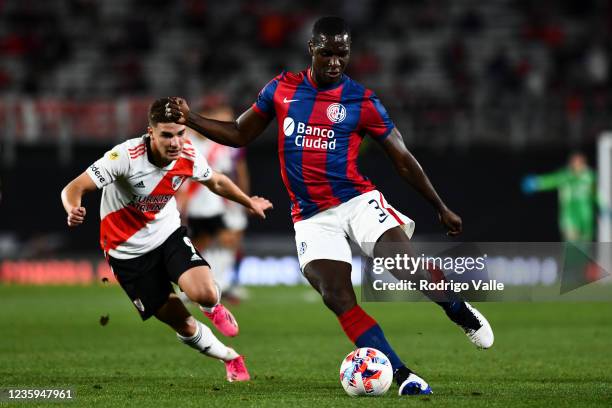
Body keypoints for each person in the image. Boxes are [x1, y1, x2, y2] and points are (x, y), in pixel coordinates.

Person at [165, 16, 493, 395]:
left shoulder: (362, 101)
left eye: (343, 53)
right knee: (336, 296)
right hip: (310, 217)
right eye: (327, 53)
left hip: (356, 201)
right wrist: (190, 117)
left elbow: (402, 158)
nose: (335, 61)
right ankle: (403, 375)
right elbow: (240, 133)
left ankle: (457, 309)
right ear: (312, 50)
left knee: (406, 268)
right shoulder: (282, 89)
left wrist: (439, 205)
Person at [60, 97, 272, 382]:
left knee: (205, 292)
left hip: (167, 235)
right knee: (182, 323)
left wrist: (248, 202)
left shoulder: (188, 153)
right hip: (126, 253)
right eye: (167, 135)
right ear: (151, 133)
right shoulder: (124, 157)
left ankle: (213, 307)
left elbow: (217, 181)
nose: (175, 142)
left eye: (180, 133)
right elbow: (74, 187)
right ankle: (230, 357)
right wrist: (73, 207)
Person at [177, 102, 251, 306]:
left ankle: (218, 283)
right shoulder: (186, 143)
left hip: (214, 204)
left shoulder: (216, 146)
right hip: (193, 205)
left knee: (224, 240)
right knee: (198, 246)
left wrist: (235, 199)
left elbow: (224, 175)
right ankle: (191, 287)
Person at [522, 152, 597, 241]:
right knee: (572, 242)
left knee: (585, 245)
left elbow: (597, 194)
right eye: (574, 162)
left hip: (586, 216)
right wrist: (537, 183)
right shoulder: (565, 176)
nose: (577, 165)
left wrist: (605, 206)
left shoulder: (590, 177)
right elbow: (551, 180)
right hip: (570, 215)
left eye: (579, 162)